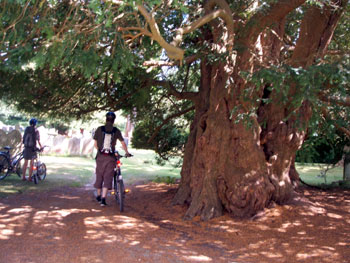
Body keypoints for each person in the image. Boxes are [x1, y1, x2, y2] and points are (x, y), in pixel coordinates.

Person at [93, 111, 131, 206]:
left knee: (99, 175)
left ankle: (98, 195)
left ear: (106, 119)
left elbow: (95, 145)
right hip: (111, 158)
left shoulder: (99, 129)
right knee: (108, 177)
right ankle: (103, 199)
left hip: (100, 157)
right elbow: (123, 143)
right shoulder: (116, 131)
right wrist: (127, 152)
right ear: (113, 120)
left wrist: (100, 151)